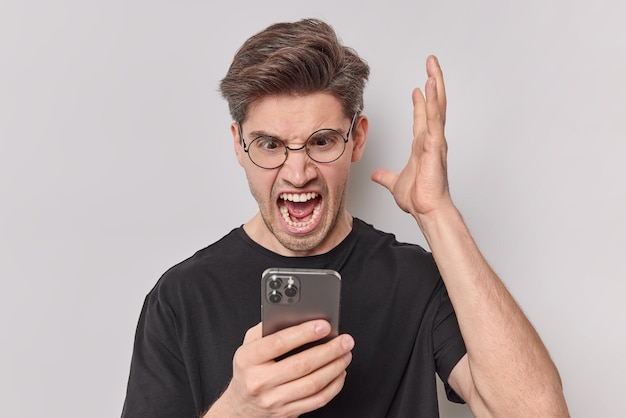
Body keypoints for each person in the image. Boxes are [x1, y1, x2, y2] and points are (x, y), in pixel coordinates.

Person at [121, 18, 569, 418]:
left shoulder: (414, 279)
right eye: (270, 144)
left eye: (321, 141)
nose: (297, 173)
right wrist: (240, 410)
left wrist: (436, 212)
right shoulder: (180, 297)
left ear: (357, 140)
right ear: (239, 145)